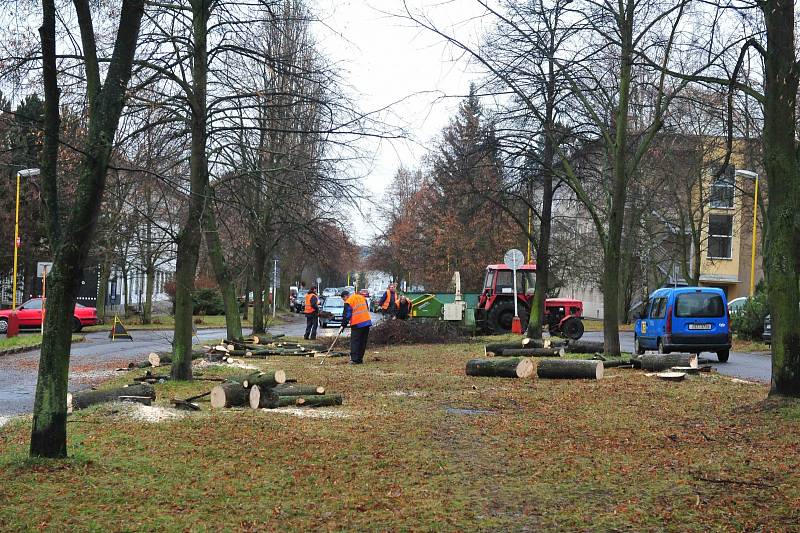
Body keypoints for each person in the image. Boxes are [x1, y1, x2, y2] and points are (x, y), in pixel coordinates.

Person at [340, 289, 372, 364]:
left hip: (357, 324)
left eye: (343, 299)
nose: (344, 301)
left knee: (355, 341)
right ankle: (360, 359)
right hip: (366, 322)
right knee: (362, 342)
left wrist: (342, 326)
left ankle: (354, 359)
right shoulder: (362, 297)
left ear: (346, 296)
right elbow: (366, 308)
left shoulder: (349, 301)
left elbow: (347, 315)